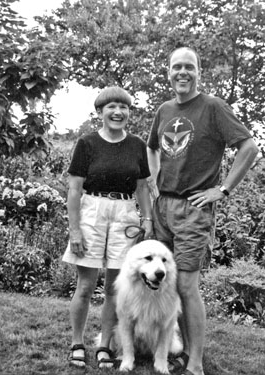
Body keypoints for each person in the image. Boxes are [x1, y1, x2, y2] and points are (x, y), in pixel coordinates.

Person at [147, 47, 259, 375]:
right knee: (167, 284)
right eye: (176, 67)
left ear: (198, 72)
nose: (182, 72)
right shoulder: (164, 109)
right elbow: (152, 147)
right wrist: (154, 182)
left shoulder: (213, 107)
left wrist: (222, 190)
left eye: (189, 67)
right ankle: (177, 351)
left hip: (194, 209)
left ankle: (195, 362)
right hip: (163, 206)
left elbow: (248, 147)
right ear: (168, 72)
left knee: (185, 285)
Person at [62, 86, 153, 369]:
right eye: (111, 107)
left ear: (129, 112)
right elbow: (74, 191)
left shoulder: (137, 145)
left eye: (124, 107)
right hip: (92, 212)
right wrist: (75, 230)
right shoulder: (87, 143)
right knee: (86, 285)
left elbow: (142, 187)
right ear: (100, 112)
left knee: (115, 288)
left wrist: (147, 220)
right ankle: (77, 343)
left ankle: (104, 346)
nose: (118, 112)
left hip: (124, 214)